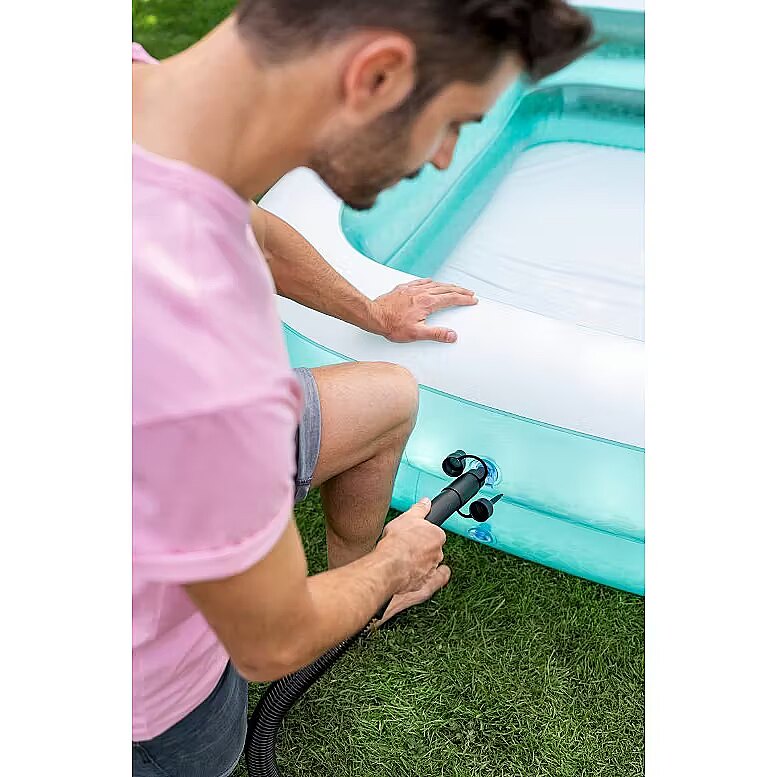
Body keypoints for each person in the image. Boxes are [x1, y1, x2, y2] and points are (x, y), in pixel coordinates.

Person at [132, 1, 593, 775]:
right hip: (148, 692)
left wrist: (368, 309)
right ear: (377, 75)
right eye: (454, 123)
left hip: (155, 453)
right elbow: (269, 643)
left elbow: (254, 228)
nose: (444, 158)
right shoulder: (197, 330)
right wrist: (393, 562)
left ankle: (350, 595)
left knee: (385, 396)